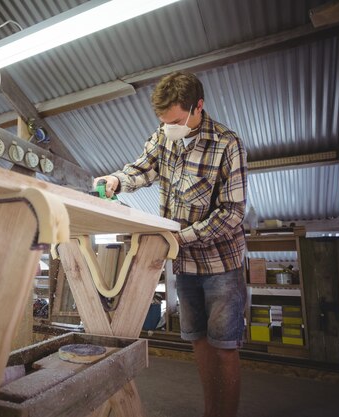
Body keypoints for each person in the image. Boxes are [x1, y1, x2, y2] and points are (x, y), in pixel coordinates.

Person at [95, 71, 247, 417]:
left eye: (177, 121)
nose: (170, 129)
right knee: (199, 342)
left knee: (224, 347)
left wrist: (181, 238)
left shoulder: (227, 144)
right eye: (164, 123)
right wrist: (117, 179)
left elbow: (233, 213)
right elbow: (142, 168)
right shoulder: (164, 137)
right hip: (185, 263)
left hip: (221, 262)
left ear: (198, 107)